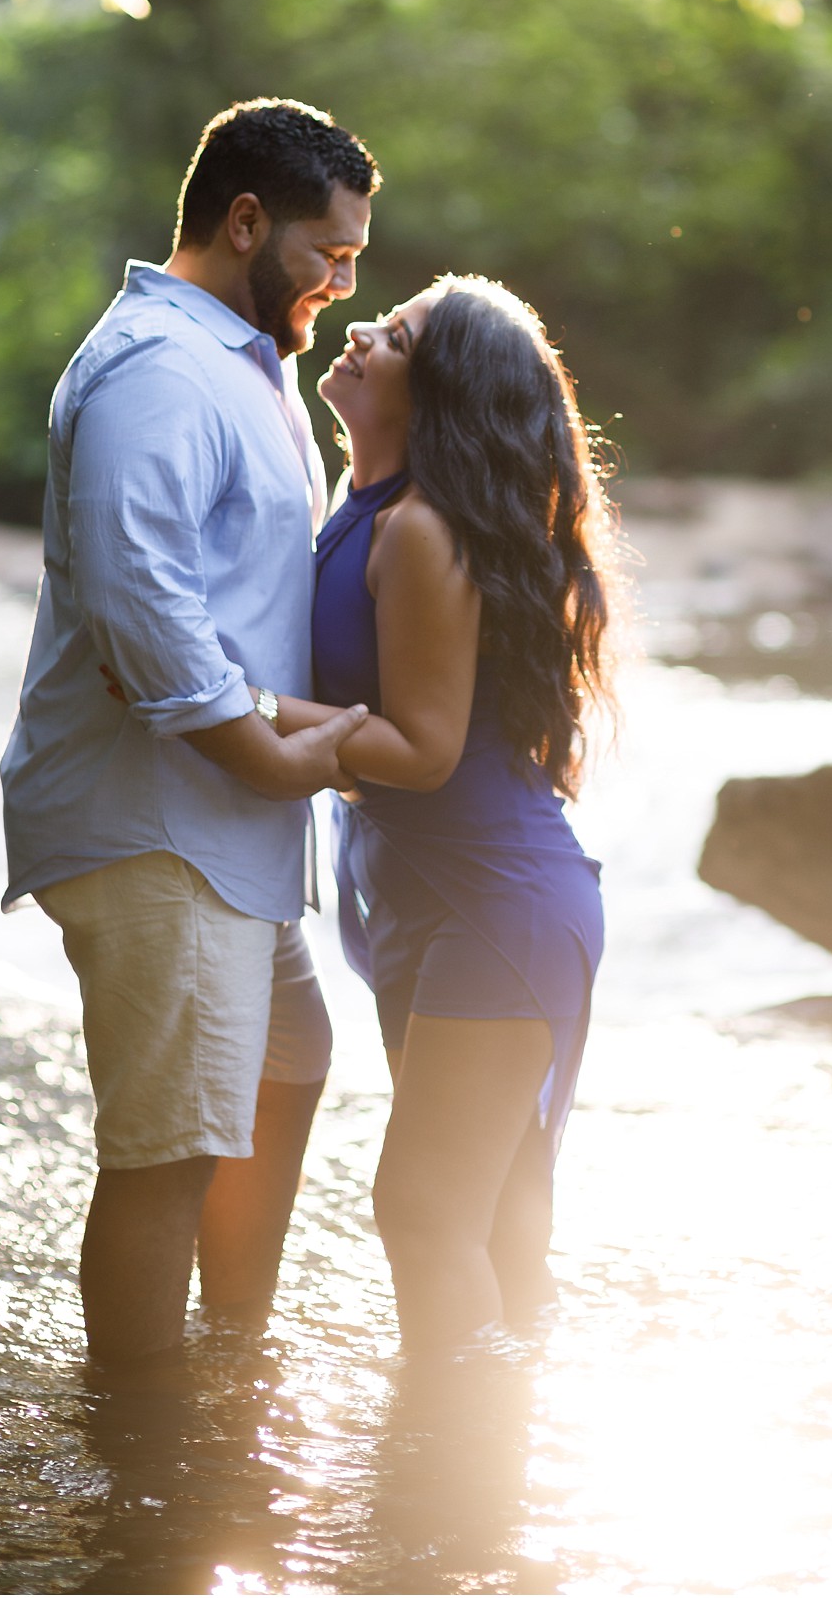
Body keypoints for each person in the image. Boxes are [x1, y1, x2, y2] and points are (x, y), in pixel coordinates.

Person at [0, 96, 377, 1371]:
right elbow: (138, 598)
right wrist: (271, 756)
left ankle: (231, 1356)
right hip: (156, 820)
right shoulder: (160, 371)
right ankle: (143, 1450)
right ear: (245, 219)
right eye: (328, 253)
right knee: (167, 1153)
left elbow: (231, 608)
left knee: (291, 1062)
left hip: (223, 822)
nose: (339, 280)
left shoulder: (239, 357)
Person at [247, 275, 620, 1355]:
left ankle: (451, 1469)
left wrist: (240, 702)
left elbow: (420, 750)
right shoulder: (358, 513)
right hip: (425, 899)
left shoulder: (418, 529)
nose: (359, 331)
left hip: (496, 907)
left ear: (440, 394)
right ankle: (499, 1475)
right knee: (495, 1216)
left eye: (394, 331)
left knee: (421, 1211)